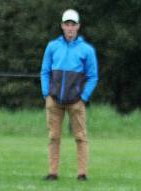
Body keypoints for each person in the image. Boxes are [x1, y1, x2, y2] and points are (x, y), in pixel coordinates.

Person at [40, 9, 98, 181]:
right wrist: (46, 93)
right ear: (62, 26)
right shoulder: (52, 46)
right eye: (67, 24)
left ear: (78, 26)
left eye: (73, 24)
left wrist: (84, 96)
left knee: (80, 137)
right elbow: (44, 71)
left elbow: (93, 76)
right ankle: (52, 172)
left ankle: (82, 173)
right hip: (54, 100)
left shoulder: (86, 50)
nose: (70, 28)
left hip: (76, 102)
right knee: (53, 137)